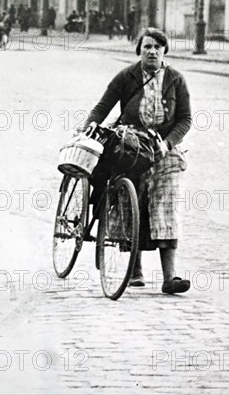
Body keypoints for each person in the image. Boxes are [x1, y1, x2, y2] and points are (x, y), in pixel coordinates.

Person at [82, 28, 192, 293]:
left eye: (157, 47)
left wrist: (167, 143)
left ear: (165, 51)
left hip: (163, 150)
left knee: (166, 205)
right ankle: (135, 270)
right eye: (146, 47)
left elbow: (185, 119)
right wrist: (88, 128)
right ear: (139, 51)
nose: (152, 51)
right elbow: (103, 106)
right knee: (131, 202)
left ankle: (170, 277)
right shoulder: (127, 76)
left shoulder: (176, 79)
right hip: (129, 146)